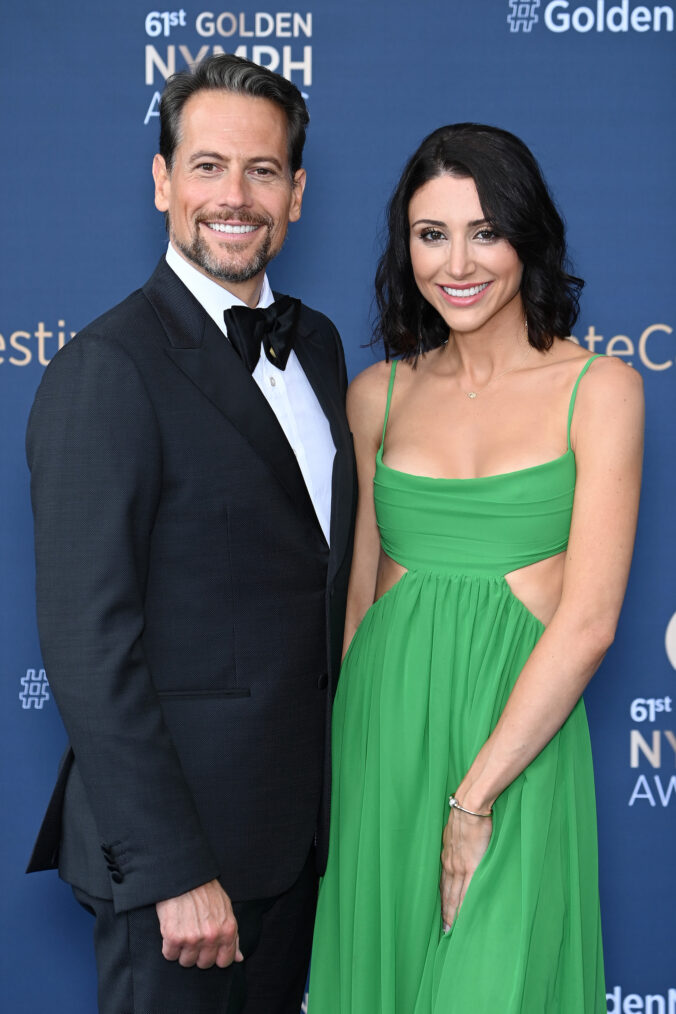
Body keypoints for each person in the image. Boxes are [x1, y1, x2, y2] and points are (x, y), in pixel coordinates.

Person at [26, 54, 355, 1014]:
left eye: (262, 171)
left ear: (296, 193)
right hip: (184, 872)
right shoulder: (107, 368)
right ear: (164, 180)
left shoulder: (323, 346)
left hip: (297, 846)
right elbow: (90, 647)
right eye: (207, 167)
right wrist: (174, 871)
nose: (235, 197)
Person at [308, 123, 643, 1013]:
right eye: (431, 234)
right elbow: (361, 605)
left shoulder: (599, 390)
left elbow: (590, 620)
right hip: (385, 741)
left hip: (515, 748)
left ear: (527, 239)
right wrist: (352, 761)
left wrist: (475, 799)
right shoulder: (377, 396)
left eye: (484, 231)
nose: (458, 261)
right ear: (404, 246)